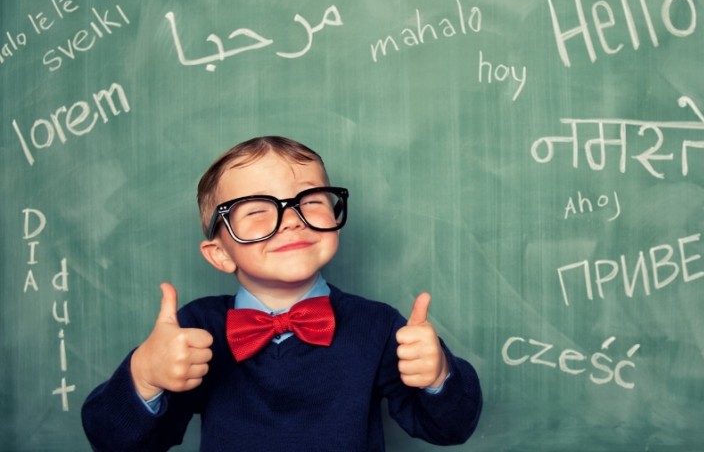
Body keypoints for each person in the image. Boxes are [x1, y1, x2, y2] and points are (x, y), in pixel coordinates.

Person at [81, 136, 482, 451]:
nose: (291, 220)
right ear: (220, 253)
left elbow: (450, 429)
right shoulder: (193, 330)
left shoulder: (378, 325)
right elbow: (116, 443)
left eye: (310, 201)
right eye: (256, 209)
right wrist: (144, 376)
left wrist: (439, 377)